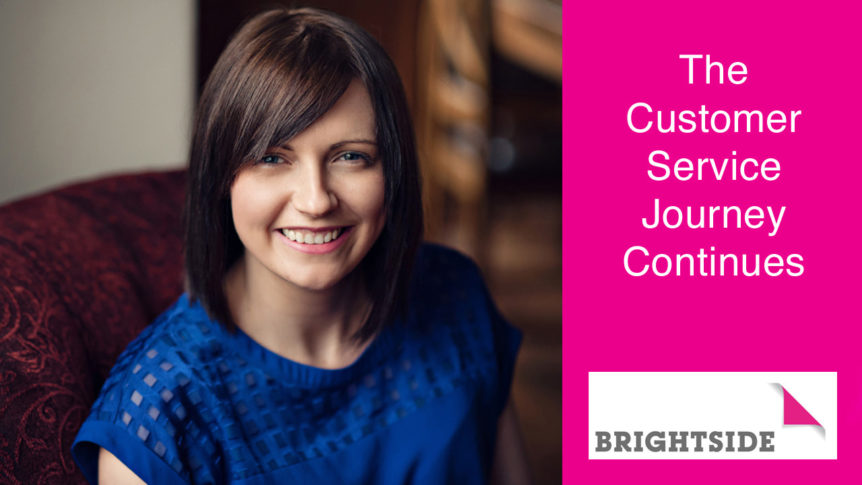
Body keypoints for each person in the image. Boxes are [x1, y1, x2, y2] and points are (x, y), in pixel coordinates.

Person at [72, 7, 529, 484]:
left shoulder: (456, 294)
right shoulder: (158, 416)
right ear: (221, 177)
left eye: (351, 156)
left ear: (392, 170)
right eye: (273, 157)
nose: (315, 200)